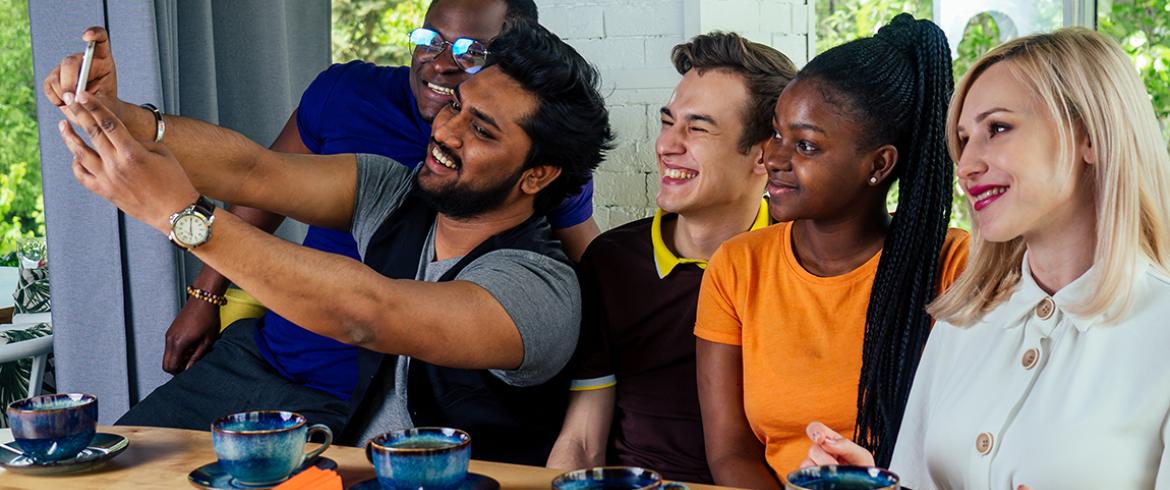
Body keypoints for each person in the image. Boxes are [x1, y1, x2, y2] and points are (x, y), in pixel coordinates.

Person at [47, 19, 613, 465]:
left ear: (537, 175)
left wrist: (182, 216)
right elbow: (252, 170)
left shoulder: (536, 287)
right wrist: (119, 117)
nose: (446, 130)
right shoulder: (395, 192)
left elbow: (366, 313)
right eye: (458, 106)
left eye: (482, 130)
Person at [155, 1, 596, 410]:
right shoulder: (382, 166)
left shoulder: (534, 186)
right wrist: (205, 294)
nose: (439, 63)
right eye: (430, 40)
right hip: (267, 352)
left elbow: (367, 313)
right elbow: (254, 175)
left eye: (470, 51)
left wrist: (595, 393)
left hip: (355, 395)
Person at [800, 28, 1170, 490]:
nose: (966, 164)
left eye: (997, 128)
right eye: (964, 139)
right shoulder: (963, 320)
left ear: (1090, 137)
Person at [693, 14, 969, 487]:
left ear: (879, 164)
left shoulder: (953, 266)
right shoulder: (737, 266)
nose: (773, 158)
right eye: (776, 133)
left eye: (805, 145)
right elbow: (730, 452)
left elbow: (970, 450)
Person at [545, 32, 796, 483]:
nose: (666, 145)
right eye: (667, 122)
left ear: (764, 156)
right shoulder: (612, 262)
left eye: (697, 128)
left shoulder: (802, 260)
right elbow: (582, 439)